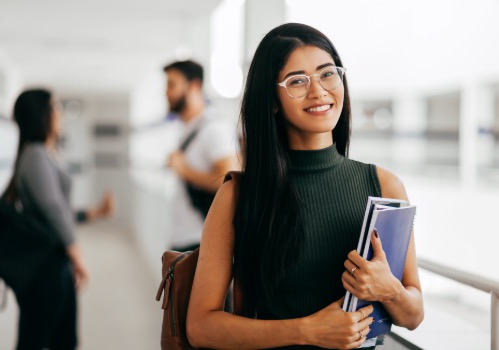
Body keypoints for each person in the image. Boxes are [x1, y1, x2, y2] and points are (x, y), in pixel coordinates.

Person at [186, 23, 424, 349]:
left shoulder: (385, 185)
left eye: (328, 74)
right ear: (271, 100)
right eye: (297, 81)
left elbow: (413, 316)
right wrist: (308, 330)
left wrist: (389, 289)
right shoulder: (237, 195)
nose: (319, 91)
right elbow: (200, 326)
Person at [1, 89, 115, 350]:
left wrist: (96, 212)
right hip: (45, 266)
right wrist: (78, 255)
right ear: (41, 114)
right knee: (38, 339)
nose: (60, 113)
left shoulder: (43, 154)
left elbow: (60, 210)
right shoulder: (36, 154)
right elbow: (53, 209)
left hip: (53, 262)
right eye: (55, 107)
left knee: (61, 339)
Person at [164, 60, 239, 252]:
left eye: (172, 84)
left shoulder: (214, 128)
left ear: (194, 85)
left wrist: (183, 170)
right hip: (184, 238)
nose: (166, 92)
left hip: (202, 241)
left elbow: (229, 181)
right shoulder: (188, 128)